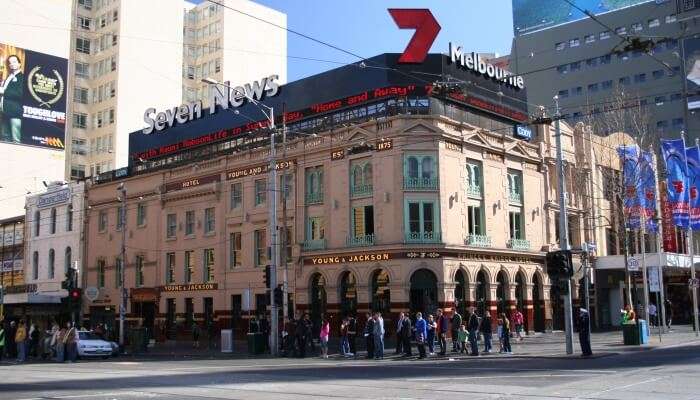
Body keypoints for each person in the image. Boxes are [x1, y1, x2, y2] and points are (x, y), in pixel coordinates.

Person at [0, 55, 24, 143]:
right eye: (10, 63)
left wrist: (3, 91)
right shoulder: (9, 77)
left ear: (19, 64)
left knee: (16, 140)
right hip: (4, 112)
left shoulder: (23, 77)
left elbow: (20, 94)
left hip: (15, 113)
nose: (12, 64)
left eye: (14, 62)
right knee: (5, 138)